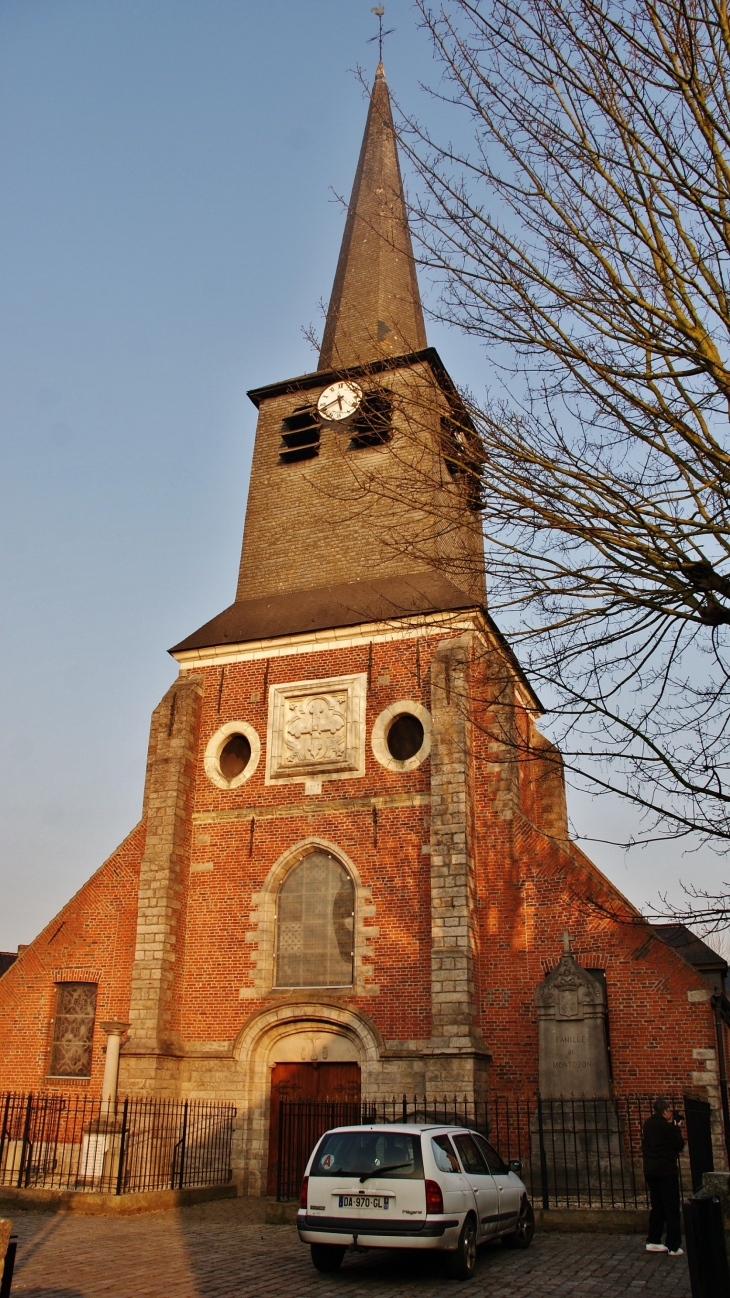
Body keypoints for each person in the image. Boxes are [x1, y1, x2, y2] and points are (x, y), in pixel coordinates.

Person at [642, 1097, 685, 1256]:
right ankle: (673, 1245)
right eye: (670, 1111)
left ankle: (653, 1240)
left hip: (650, 1170)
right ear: (665, 1111)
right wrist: (676, 1128)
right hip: (666, 1170)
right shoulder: (665, 1126)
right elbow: (679, 1144)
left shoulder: (648, 1124)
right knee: (671, 1206)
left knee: (657, 1205)